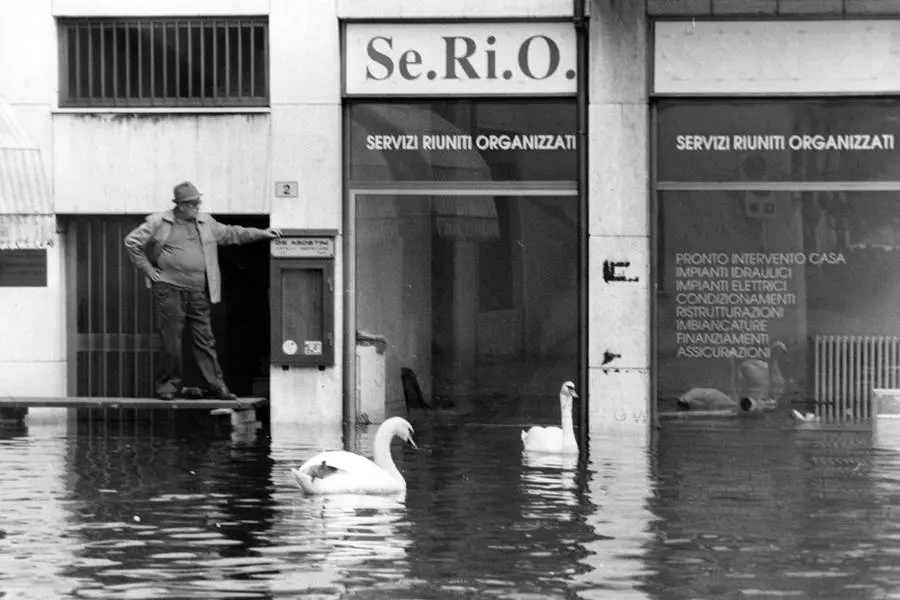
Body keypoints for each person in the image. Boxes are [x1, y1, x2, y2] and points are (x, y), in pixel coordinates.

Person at [124, 181, 281, 400]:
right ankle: (168, 386)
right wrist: (148, 269)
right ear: (179, 205)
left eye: (198, 202)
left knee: (205, 339)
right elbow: (131, 242)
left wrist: (262, 233)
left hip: (197, 291)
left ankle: (216, 386)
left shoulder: (205, 221)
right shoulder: (159, 221)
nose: (197, 206)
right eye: (192, 203)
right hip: (168, 290)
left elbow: (232, 233)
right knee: (171, 340)